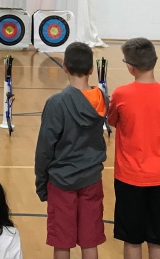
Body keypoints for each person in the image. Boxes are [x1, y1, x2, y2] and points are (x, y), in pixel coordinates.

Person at [35, 42, 107, 259]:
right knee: (90, 241)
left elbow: (45, 148)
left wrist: (41, 182)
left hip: (61, 182)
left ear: (64, 67)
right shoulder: (102, 99)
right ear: (91, 70)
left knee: (62, 242)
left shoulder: (57, 103)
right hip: (92, 179)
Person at [107, 38, 160, 259]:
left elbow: (113, 121)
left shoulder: (121, 94)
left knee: (132, 240)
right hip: (159, 177)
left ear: (130, 67)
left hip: (129, 177)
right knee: (158, 240)